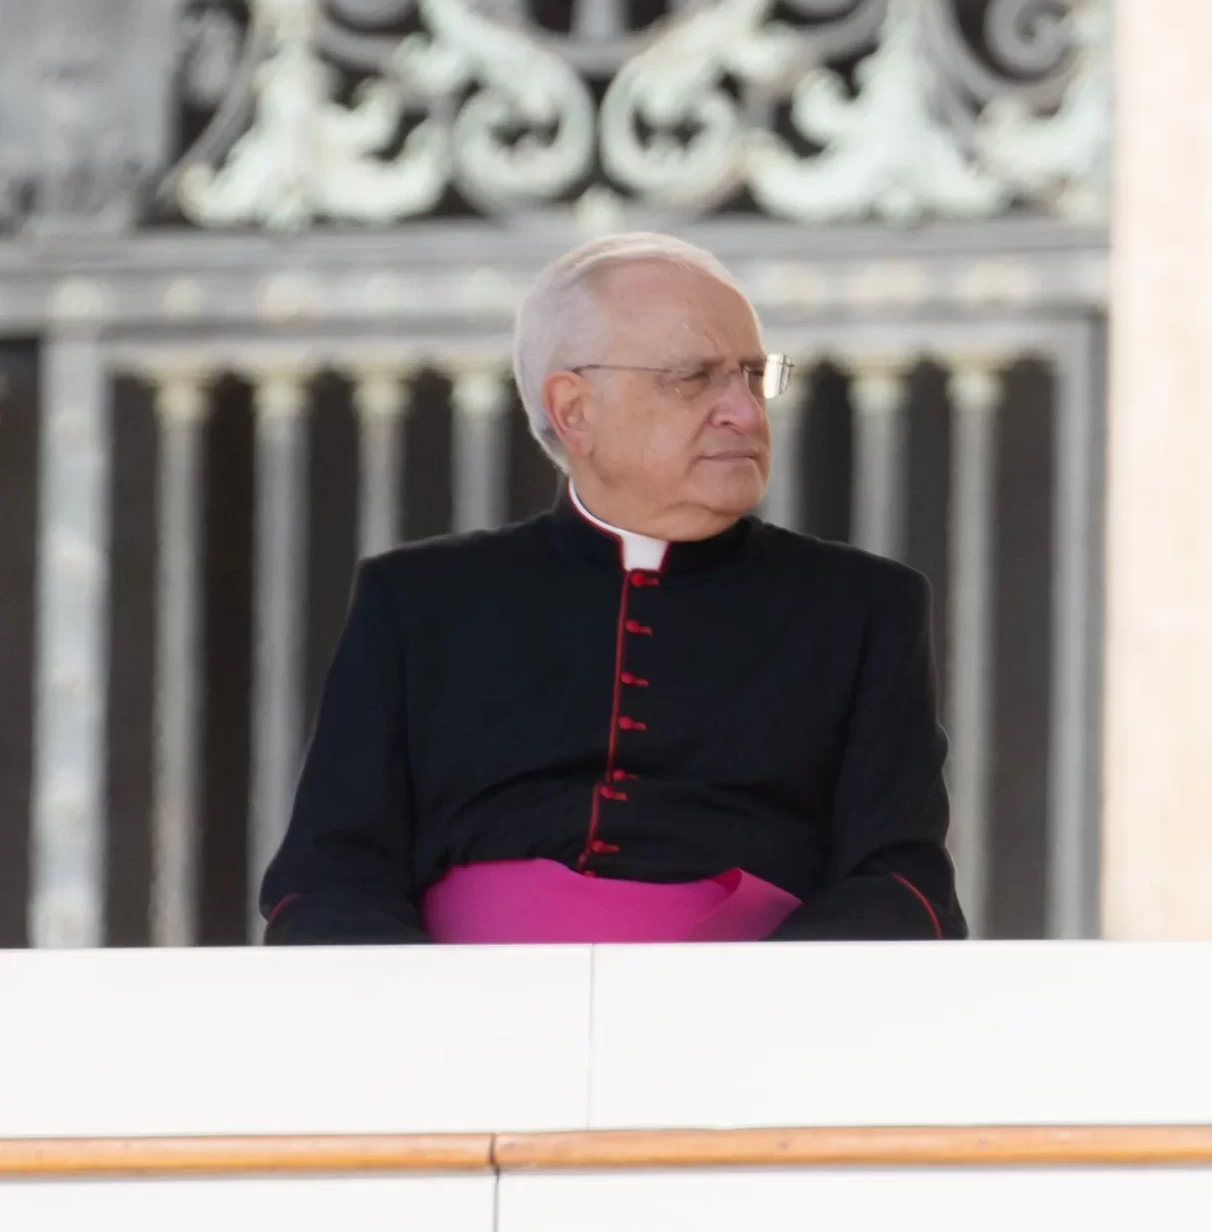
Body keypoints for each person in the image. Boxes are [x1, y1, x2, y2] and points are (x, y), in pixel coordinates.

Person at [259, 233, 962, 943]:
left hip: (746, 1022)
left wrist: (752, 1003)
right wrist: (433, 1020)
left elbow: (903, 882)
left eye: (753, 375)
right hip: (468, 1020)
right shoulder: (417, 603)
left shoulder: (863, 608)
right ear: (574, 410)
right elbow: (329, 874)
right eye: (693, 378)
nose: (744, 413)